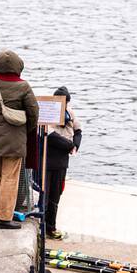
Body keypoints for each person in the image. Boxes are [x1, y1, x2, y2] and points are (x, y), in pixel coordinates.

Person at [0, 50, 38, 230]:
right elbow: (34, 113)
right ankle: (4, 217)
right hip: (14, 140)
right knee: (10, 178)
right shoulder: (23, 86)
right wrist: (24, 130)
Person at [41, 85, 82, 240]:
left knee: (56, 196)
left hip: (61, 162)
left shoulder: (70, 113)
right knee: (45, 196)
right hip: (49, 159)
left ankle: (51, 227)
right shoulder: (48, 113)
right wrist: (69, 145)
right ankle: (42, 226)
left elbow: (78, 131)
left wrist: (76, 145)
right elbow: (50, 135)